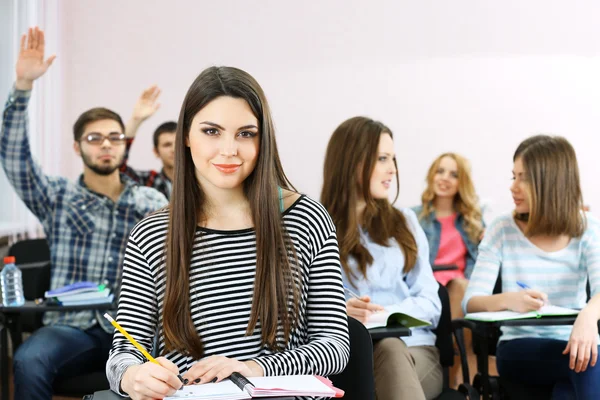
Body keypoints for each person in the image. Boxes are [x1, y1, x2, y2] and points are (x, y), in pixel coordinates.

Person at [106, 66, 350, 399]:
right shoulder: (150, 233)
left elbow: (334, 346)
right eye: (211, 131)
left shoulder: (307, 219)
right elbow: (123, 353)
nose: (229, 149)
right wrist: (133, 376)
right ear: (187, 138)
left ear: (263, 139)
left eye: (246, 133)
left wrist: (252, 367)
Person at [0, 27, 168, 400]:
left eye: (114, 137)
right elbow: (14, 158)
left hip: (137, 330)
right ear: (78, 147)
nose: (106, 144)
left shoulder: (151, 202)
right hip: (70, 327)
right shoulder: (57, 197)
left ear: (125, 146)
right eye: (95, 138)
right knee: (30, 360)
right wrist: (23, 85)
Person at [463, 135, 600, 399]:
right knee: (590, 363)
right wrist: (510, 300)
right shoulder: (502, 229)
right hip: (520, 348)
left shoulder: (588, 227)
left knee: (570, 387)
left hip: (578, 342)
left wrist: (587, 315)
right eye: (513, 176)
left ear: (550, 182)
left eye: (522, 178)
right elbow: (470, 302)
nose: (513, 187)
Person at [321, 116, 442, 400]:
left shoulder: (406, 222)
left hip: (416, 353)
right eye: (382, 159)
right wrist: (339, 314)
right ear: (351, 162)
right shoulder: (315, 225)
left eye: (393, 159)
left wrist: (385, 315)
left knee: (389, 347)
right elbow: (300, 307)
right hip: (348, 357)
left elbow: (431, 302)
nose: (392, 170)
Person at [120, 85, 175, 199]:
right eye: (167, 145)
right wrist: (135, 120)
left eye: (178, 144)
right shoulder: (148, 182)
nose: (174, 149)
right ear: (156, 152)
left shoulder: (204, 180)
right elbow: (117, 168)